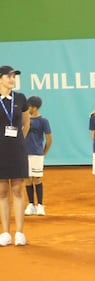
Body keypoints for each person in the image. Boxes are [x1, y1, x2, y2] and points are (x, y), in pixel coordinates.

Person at [0, 65, 30, 246]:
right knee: (2, 192)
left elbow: (26, 124)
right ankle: (5, 232)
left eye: (14, 76)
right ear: (0, 78)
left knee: (18, 190)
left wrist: (18, 141)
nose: (12, 79)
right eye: (9, 76)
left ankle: (19, 232)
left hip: (17, 150)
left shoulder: (20, 98)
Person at [24, 96, 52, 216]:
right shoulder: (23, 119)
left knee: (37, 178)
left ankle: (40, 205)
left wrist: (43, 152)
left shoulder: (43, 121)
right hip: (24, 154)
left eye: (29, 106)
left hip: (37, 154)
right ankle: (31, 204)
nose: (27, 108)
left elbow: (49, 139)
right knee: (27, 179)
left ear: (35, 108)